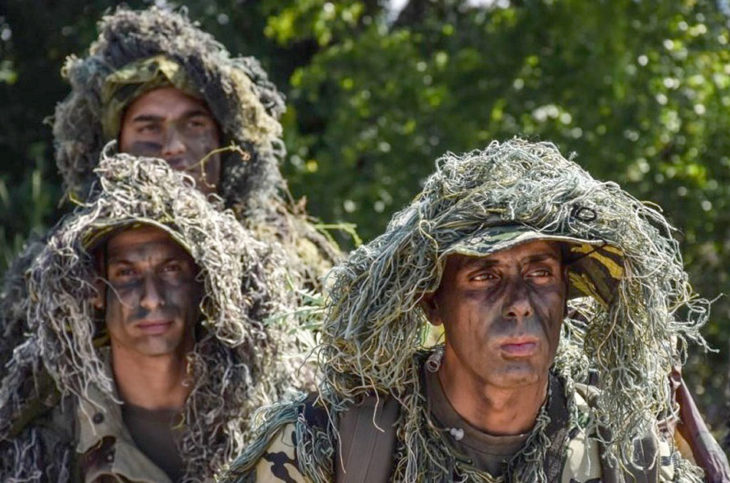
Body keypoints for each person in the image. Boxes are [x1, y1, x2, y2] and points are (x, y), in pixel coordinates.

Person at [225, 139, 713, 482]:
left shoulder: (629, 456)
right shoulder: (330, 445)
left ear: (567, 294)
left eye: (540, 274)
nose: (518, 304)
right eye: (484, 277)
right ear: (433, 303)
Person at [0, 5, 340, 372]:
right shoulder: (64, 275)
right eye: (149, 128)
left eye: (194, 124)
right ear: (112, 150)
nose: (175, 147)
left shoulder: (290, 264)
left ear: (225, 142)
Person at [0, 154, 307, 481]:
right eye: (126, 273)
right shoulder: (49, 439)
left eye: (171, 270)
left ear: (202, 283)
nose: (151, 297)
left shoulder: (269, 415)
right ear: (96, 289)